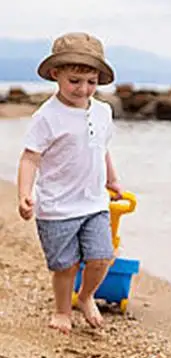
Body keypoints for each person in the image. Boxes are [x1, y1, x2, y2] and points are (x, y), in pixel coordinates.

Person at [16, 32, 124, 334]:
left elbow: (101, 148)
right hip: (57, 206)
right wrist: (24, 193)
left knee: (102, 257)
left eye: (91, 82)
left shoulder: (102, 112)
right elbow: (30, 158)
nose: (83, 88)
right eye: (75, 80)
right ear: (56, 74)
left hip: (94, 202)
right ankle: (63, 310)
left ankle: (86, 296)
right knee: (65, 266)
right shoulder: (47, 117)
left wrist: (113, 180)